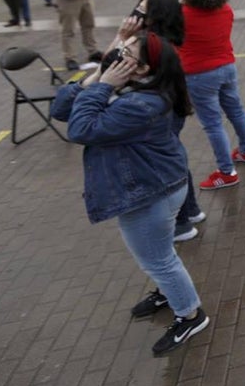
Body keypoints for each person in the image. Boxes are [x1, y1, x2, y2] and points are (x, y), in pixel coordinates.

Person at [50, 33, 211, 354]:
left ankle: (190, 314)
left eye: (126, 53)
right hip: (154, 186)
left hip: (150, 194)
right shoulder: (135, 86)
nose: (118, 56)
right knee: (161, 253)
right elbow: (61, 109)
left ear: (142, 68)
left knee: (157, 260)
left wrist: (102, 85)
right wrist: (97, 77)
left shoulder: (144, 102)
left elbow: (80, 129)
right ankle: (170, 293)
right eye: (120, 50)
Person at [177, 0, 245, 190]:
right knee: (236, 110)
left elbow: (174, 39)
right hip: (226, 67)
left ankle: (226, 171)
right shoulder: (225, 10)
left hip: (198, 74)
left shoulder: (182, 13)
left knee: (213, 123)